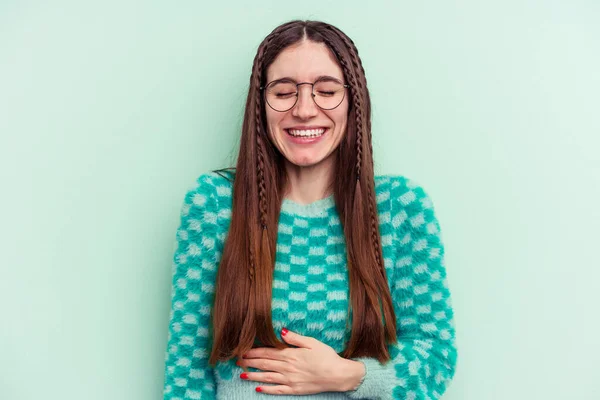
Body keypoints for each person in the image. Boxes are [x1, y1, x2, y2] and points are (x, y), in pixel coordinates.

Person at [162, 19, 458, 399]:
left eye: (326, 90)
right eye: (284, 92)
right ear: (261, 104)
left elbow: (437, 357)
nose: (304, 109)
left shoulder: (400, 209)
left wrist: (349, 375)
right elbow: (185, 373)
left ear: (352, 100)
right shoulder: (215, 205)